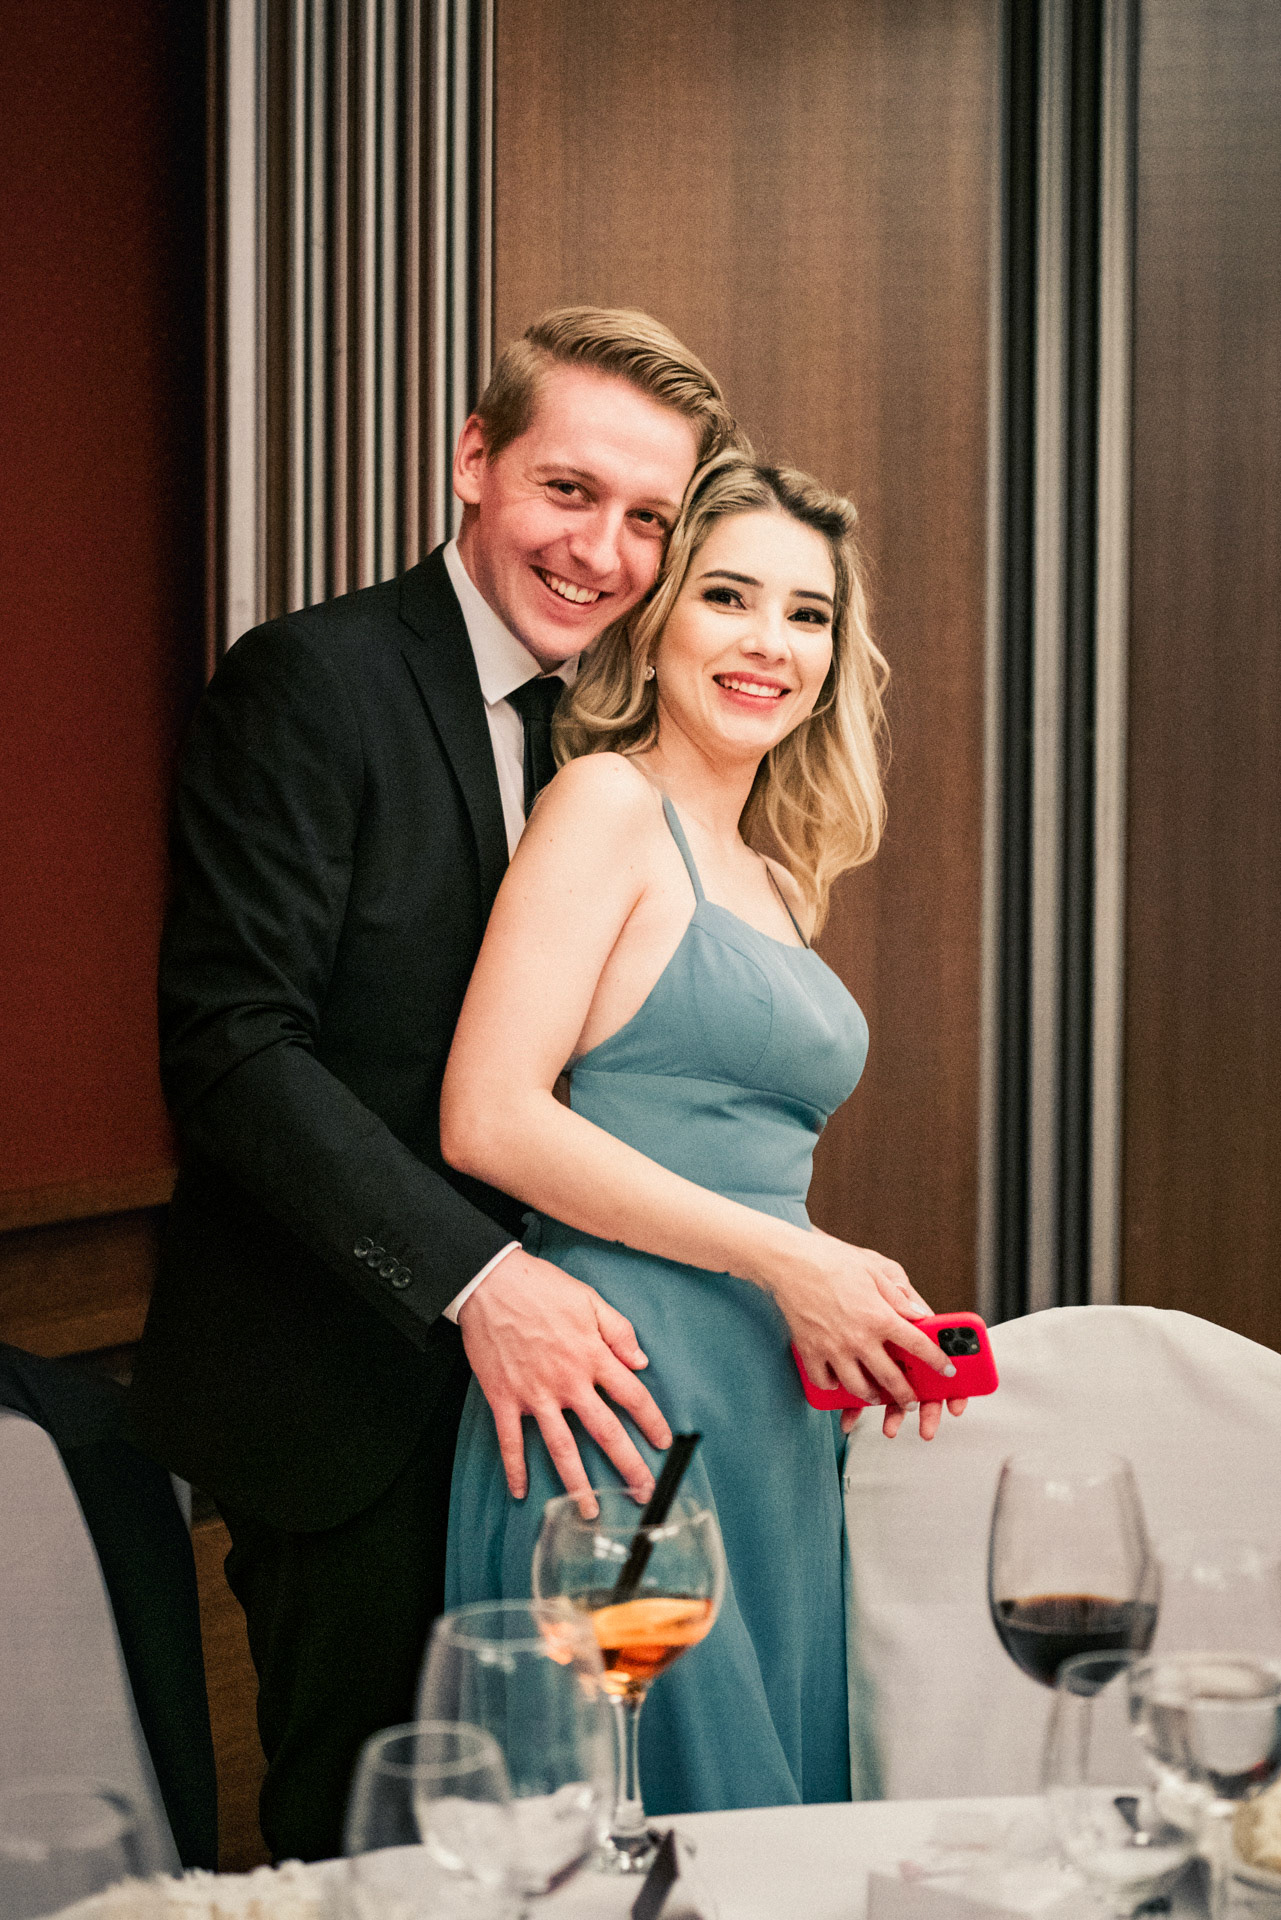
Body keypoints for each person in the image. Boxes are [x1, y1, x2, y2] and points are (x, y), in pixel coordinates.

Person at [126, 308, 741, 1862]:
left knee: (569, 1837)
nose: (600, 553)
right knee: (382, 1848)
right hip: (352, 1398)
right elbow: (231, 1044)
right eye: (567, 490)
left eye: (647, 519)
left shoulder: (622, 733)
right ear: (474, 459)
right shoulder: (310, 680)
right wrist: (478, 1280)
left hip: (579, 1413)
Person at [441, 452, 967, 1813]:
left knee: (774, 1837)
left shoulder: (782, 877)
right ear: (659, 617)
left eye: (807, 613)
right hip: (622, 1391)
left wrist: (840, 1297)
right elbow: (488, 1115)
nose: (768, 641)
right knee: (658, 1839)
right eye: (729, 596)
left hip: (770, 1407)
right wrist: (793, 1262)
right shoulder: (606, 805)